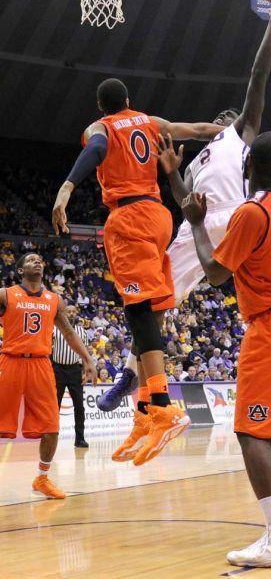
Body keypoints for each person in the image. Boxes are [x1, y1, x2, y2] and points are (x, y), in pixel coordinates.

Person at [52, 78, 221, 466]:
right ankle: (144, 413)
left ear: (100, 106)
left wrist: (66, 188)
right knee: (148, 313)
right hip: (160, 216)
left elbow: (96, 148)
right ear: (128, 100)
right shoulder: (149, 120)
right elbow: (196, 130)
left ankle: (162, 405)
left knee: (138, 312)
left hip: (129, 218)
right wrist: (232, 131)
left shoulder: (101, 128)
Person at [181, 131, 271, 569]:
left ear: (247, 166)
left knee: (249, 431)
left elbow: (214, 274)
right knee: (267, 432)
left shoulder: (252, 211)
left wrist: (194, 223)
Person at [160, 0, 271, 306]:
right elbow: (184, 200)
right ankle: (136, 357)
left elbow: (258, 77)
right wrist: (172, 172)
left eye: (228, 115)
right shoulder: (196, 161)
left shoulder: (241, 133)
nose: (221, 118)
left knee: (267, 295)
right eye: (218, 116)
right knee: (159, 292)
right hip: (200, 221)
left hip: (238, 212)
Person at [0, 252, 97, 498]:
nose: (38, 262)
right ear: (20, 270)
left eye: (40, 260)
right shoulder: (6, 294)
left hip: (42, 365)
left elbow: (69, 333)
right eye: (31, 259)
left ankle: (42, 478)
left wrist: (87, 359)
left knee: (51, 426)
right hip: (10, 362)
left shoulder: (54, 300)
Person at [52, 304, 90, 449]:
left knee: (79, 406)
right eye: (69, 312)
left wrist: (86, 371)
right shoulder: (54, 329)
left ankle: (80, 438)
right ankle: (52, 436)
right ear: (64, 313)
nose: (72, 314)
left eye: (74, 311)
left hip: (75, 371)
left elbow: (85, 354)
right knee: (55, 406)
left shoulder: (82, 331)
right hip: (57, 370)